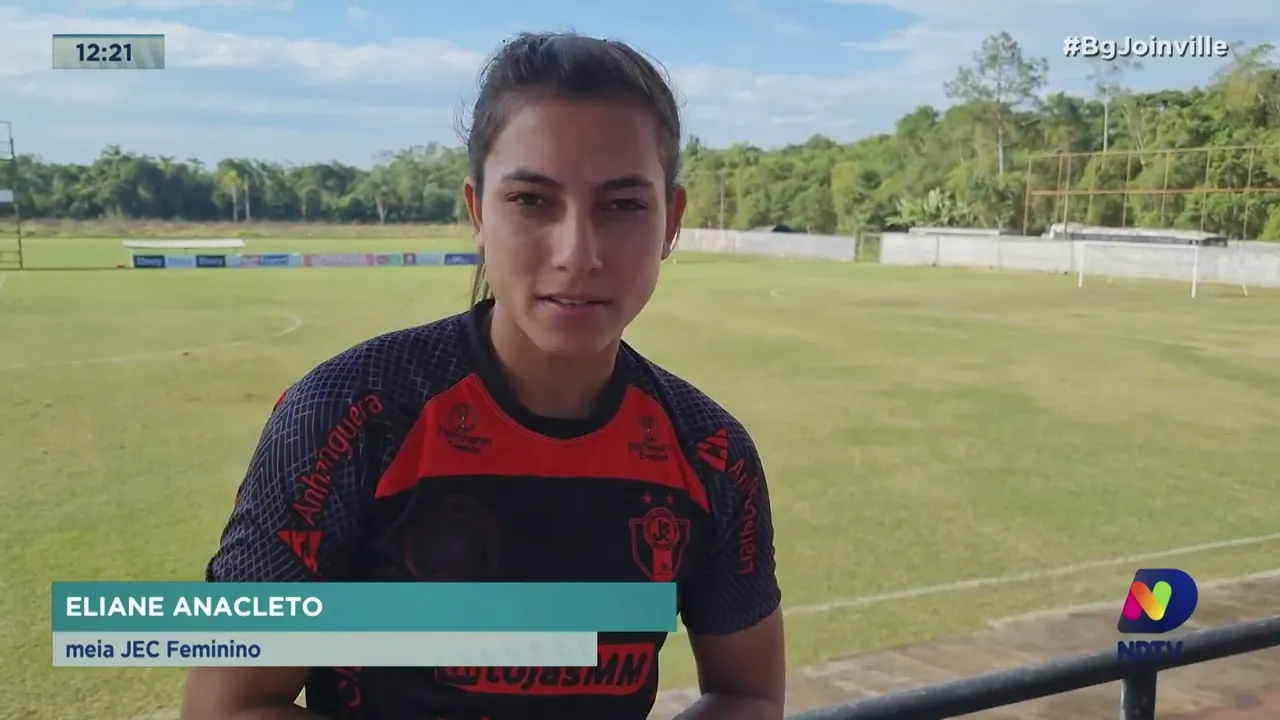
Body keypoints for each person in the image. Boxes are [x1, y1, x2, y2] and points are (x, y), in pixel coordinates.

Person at [181, 31, 784, 720]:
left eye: (622, 205)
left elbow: (748, 694)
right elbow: (226, 706)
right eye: (531, 200)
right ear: (478, 212)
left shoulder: (712, 452)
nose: (577, 253)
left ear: (671, 222)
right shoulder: (348, 415)